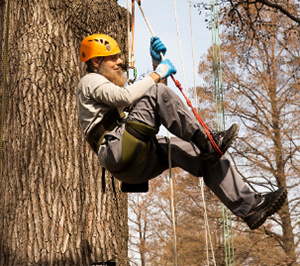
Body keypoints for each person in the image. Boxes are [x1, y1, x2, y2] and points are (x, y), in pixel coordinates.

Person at [76, 33, 287, 230]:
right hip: (118, 151)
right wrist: (157, 73)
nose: (120, 62)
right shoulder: (90, 81)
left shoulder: (107, 91)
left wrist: (157, 66)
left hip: (132, 160)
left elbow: (157, 105)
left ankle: (250, 207)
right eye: (113, 58)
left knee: (203, 155)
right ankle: (207, 141)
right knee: (159, 94)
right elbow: (135, 97)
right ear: (96, 62)